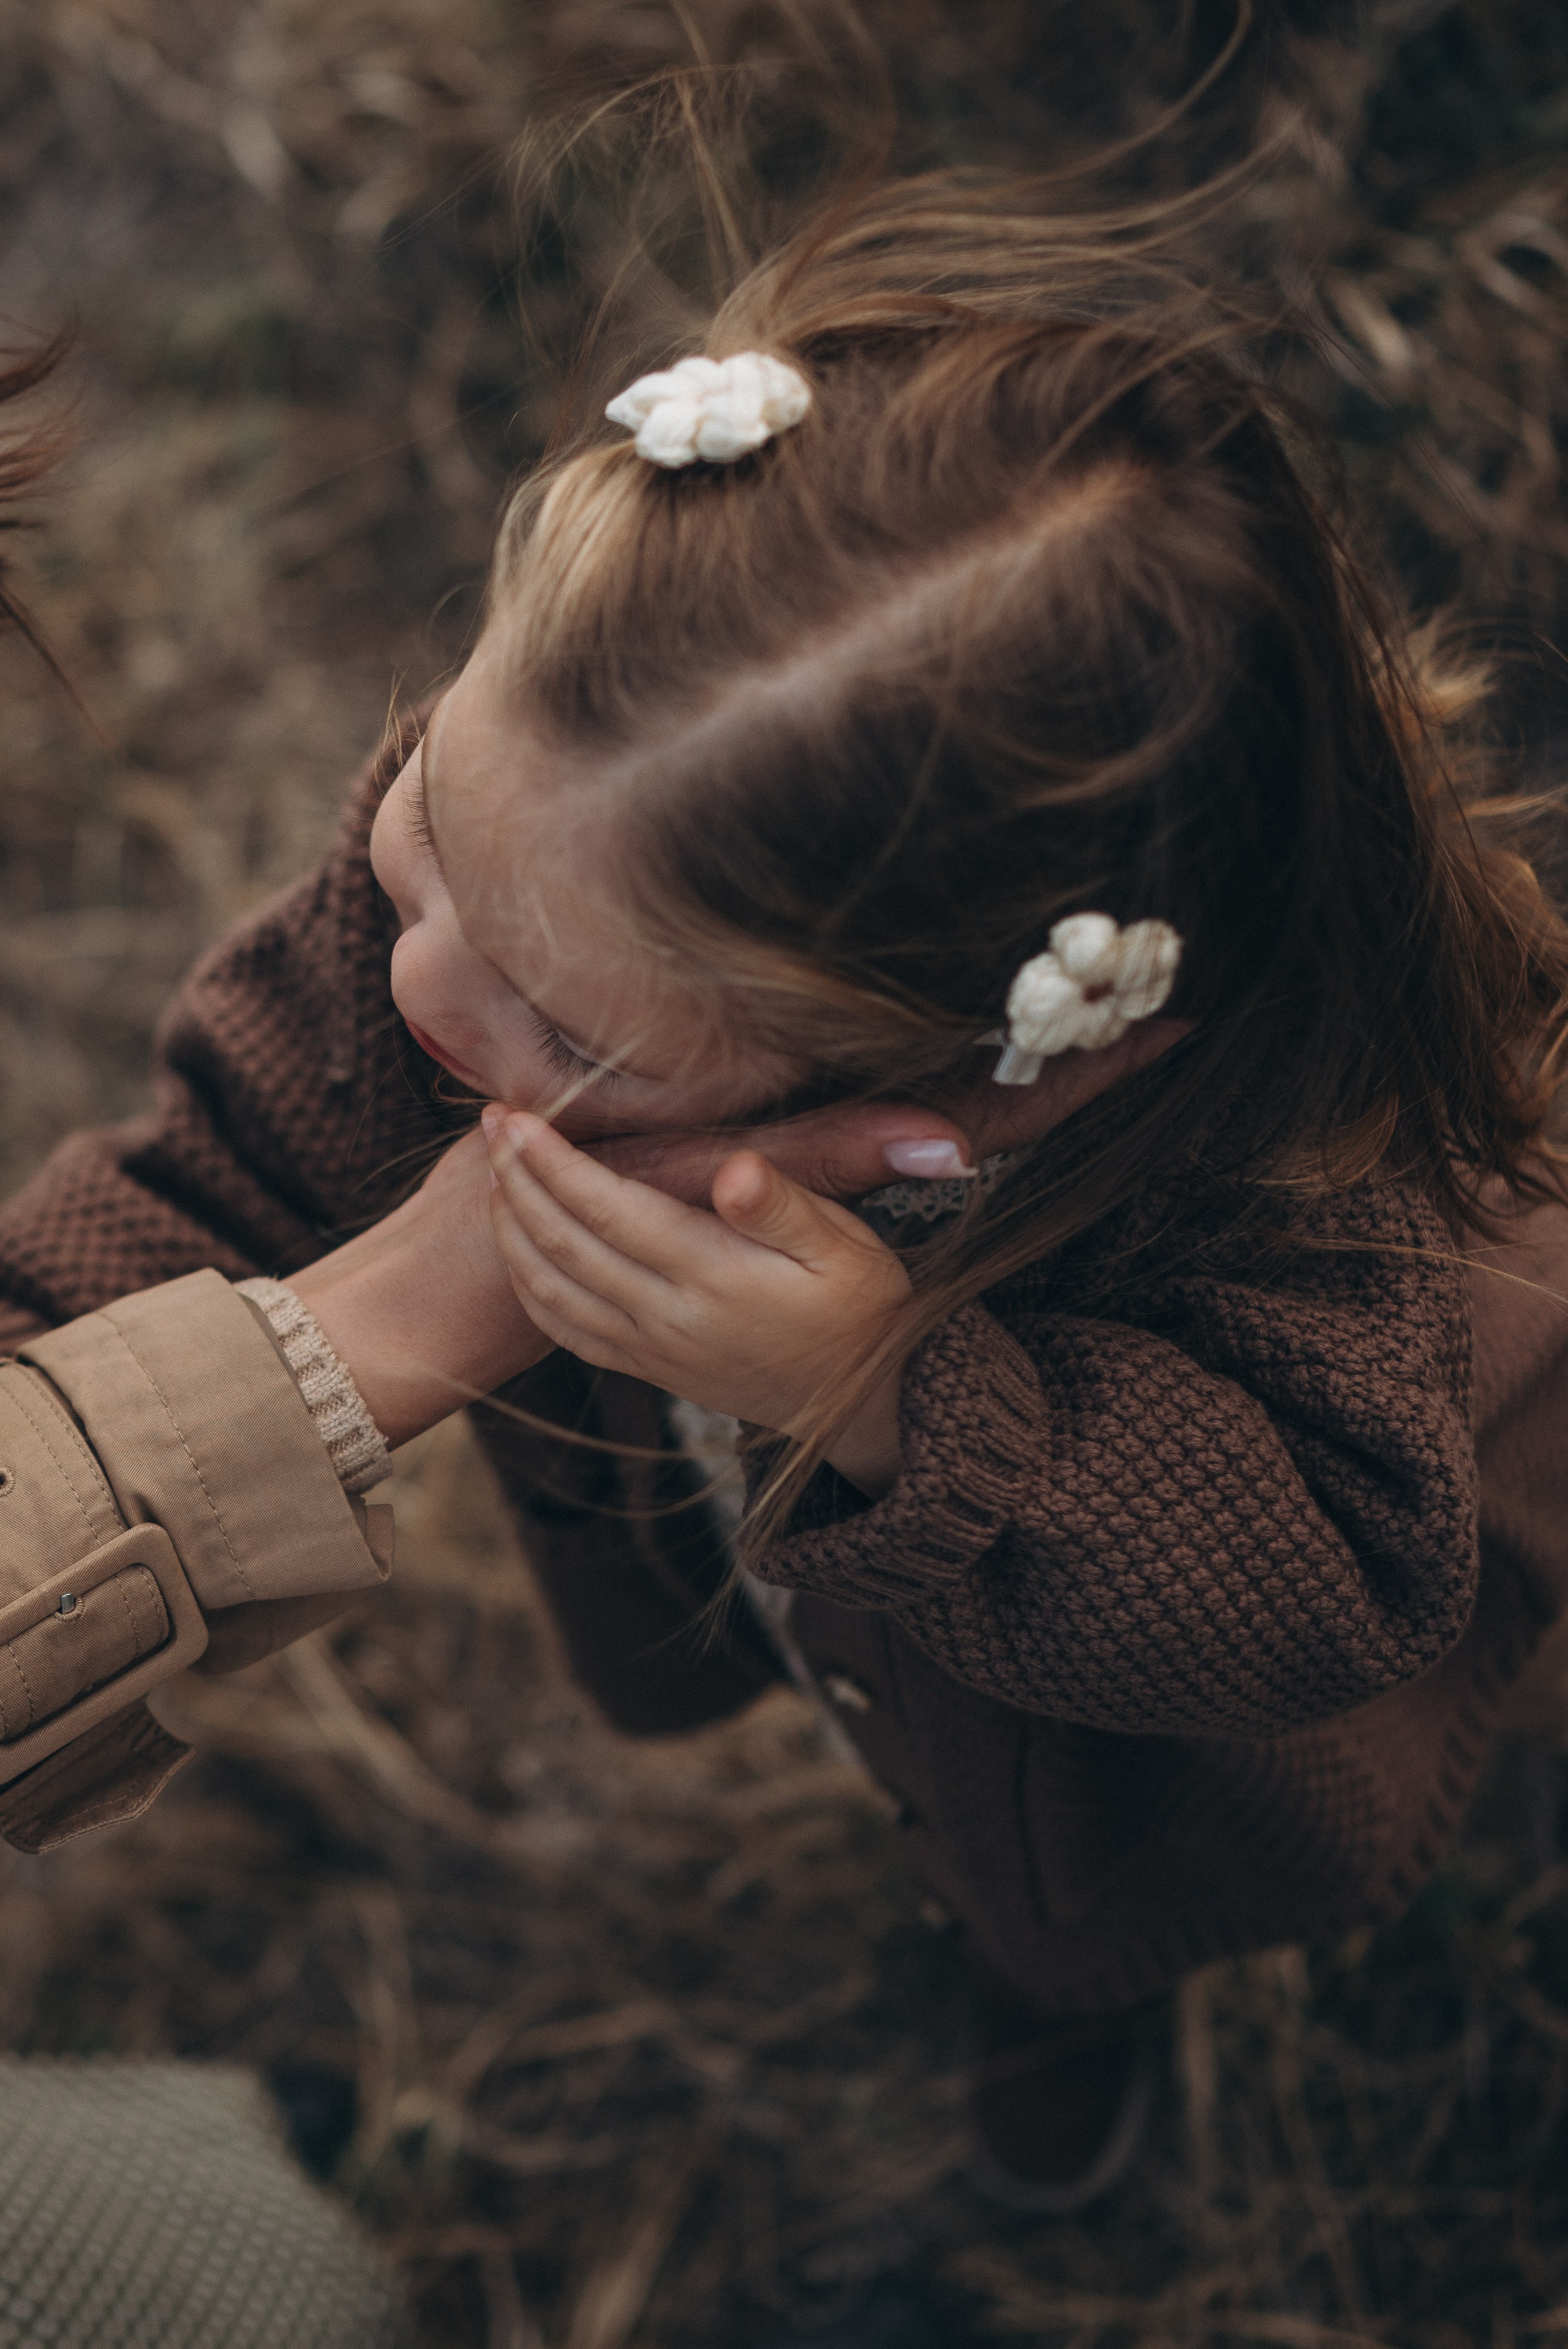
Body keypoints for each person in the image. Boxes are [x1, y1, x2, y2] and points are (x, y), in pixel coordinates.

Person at [5, 171, 1568, 2223]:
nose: (419, 987)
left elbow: (1316, 1594)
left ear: (986, 1093)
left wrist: (896, 1390)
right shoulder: (560, 874)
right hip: (849, 1637)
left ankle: (1057, 1995)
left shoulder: (1277, 1184)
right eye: (427, 832)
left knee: (1054, 1879)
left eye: (564, 1021)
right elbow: (221, 1176)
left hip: (1122, 1765)